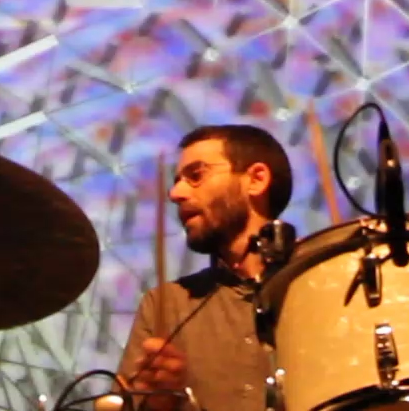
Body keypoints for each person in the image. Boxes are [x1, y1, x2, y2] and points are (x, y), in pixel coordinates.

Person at [118, 124, 294, 411]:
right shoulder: (166, 305)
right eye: (176, 180)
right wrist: (159, 405)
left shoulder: (322, 283)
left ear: (256, 179)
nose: (175, 193)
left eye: (196, 175)